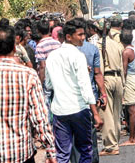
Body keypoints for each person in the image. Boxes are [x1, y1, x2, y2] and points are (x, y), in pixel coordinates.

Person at [0, 25, 57, 163]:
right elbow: (40, 118)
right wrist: (51, 152)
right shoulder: (28, 75)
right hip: (20, 154)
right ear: (14, 47)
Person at [45, 19, 103, 163]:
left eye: (84, 34)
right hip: (78, 109)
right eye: (80, 35)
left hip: (59, 111)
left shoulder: (52, 56)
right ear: (69, 37)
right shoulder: (78, 56)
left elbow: (48, 84)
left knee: (63, 153)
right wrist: (95, 113)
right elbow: (85, 87)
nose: (83, 38)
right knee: (85, 149)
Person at [97, 18, 124, 156]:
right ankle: (115, 142)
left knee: (106, 113)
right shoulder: (116, 44)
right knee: (116, 113)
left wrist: (100, 89)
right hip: (118, 78)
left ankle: (110, 145)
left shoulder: (99, 45)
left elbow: (99, 68)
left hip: (106, 78)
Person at [121, 27, 135, 147]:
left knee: (131, 109)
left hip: (130, 79)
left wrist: (122, 83)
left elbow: (124, 70)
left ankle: (132, 138)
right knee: (132, 108)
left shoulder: (126, 52)